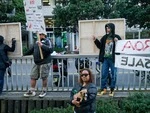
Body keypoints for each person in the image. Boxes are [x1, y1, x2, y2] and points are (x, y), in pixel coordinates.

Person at [93, 23, 121, 97]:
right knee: (104, 74)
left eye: (108, 28)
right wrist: (95, 40)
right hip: (105, 59)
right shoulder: (104, 37)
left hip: (113, 59)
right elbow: (100, 46)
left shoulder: (117, 37)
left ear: (112, 28)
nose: (107, 29)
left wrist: (117, 41)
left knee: (114, 75)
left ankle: (112, 89)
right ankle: (103, 89)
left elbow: (121, 47)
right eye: (106, 28)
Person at [23, 31, 53, 98]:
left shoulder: (48, 41)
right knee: (33, 76)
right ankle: (32, 90)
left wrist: (42, 45)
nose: (38, 36)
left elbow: (50, 50)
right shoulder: (36, 42)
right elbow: (31, 50)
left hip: (44, 62)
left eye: (39, 34)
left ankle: (44, 90)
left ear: (43, 35)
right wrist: (23, 54)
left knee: (44, 77)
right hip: (37, 62)